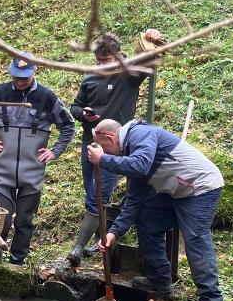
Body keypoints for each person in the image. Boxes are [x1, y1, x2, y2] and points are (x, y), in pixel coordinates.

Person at [88, 118, 224, 301]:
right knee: (147, 221)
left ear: (110, 137)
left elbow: (140, 165)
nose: (108, 154)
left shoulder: (140, 134)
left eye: (105, 148)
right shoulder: (131, 150)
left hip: (200, 187)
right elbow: (133, 201)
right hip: (174, 190)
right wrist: (114, 232)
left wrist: (102, 160)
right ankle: (160, 279)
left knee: (196, 240)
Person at [67, 29, 162, 266]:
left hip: (113, 147)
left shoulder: (128, 74)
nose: (103, 66)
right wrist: (83, 114)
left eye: (107, 61)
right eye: (99, 61)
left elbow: (150, 60)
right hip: (91, 141)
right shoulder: (90, 77)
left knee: (97, 194)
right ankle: (102, 238)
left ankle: (78, 248)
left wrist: (151, 39)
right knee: (93, 193)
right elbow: (75, 106)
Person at [0, 56, 75, 265]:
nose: (20, 82)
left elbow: (68, 125)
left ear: (34, 72)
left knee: (25, 221)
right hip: (2, 171)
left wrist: (55, 151)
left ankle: (17, 262)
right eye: (16, 77)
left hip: (32, 172)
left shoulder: (47, 97)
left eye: (24, 78)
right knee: (0, 218)